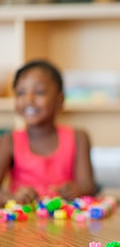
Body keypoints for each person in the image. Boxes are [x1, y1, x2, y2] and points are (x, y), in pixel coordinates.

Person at [0, 59, 97, 207]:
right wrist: (12, 197)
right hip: (20, 227)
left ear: (60, 100)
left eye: (39, 92)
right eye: (21, 93)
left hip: (67, 226)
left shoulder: (78, 138)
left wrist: (76, 190)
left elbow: (88, 187)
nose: (29, 99)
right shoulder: (9, 141)